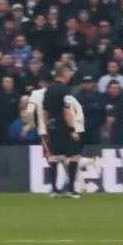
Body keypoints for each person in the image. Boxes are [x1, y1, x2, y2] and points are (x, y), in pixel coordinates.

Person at [42, 66, 81, 199]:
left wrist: (47, 127)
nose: (70, 75)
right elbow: (67, 111)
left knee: (53, 156)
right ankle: (71, 189)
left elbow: (45, 112)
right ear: (63, 74)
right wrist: (72, 129)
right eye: (69, 73)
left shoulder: (48, 90)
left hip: (52, 126)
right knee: (74, 155)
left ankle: (54, 190)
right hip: (63, 126)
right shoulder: (65, 90)